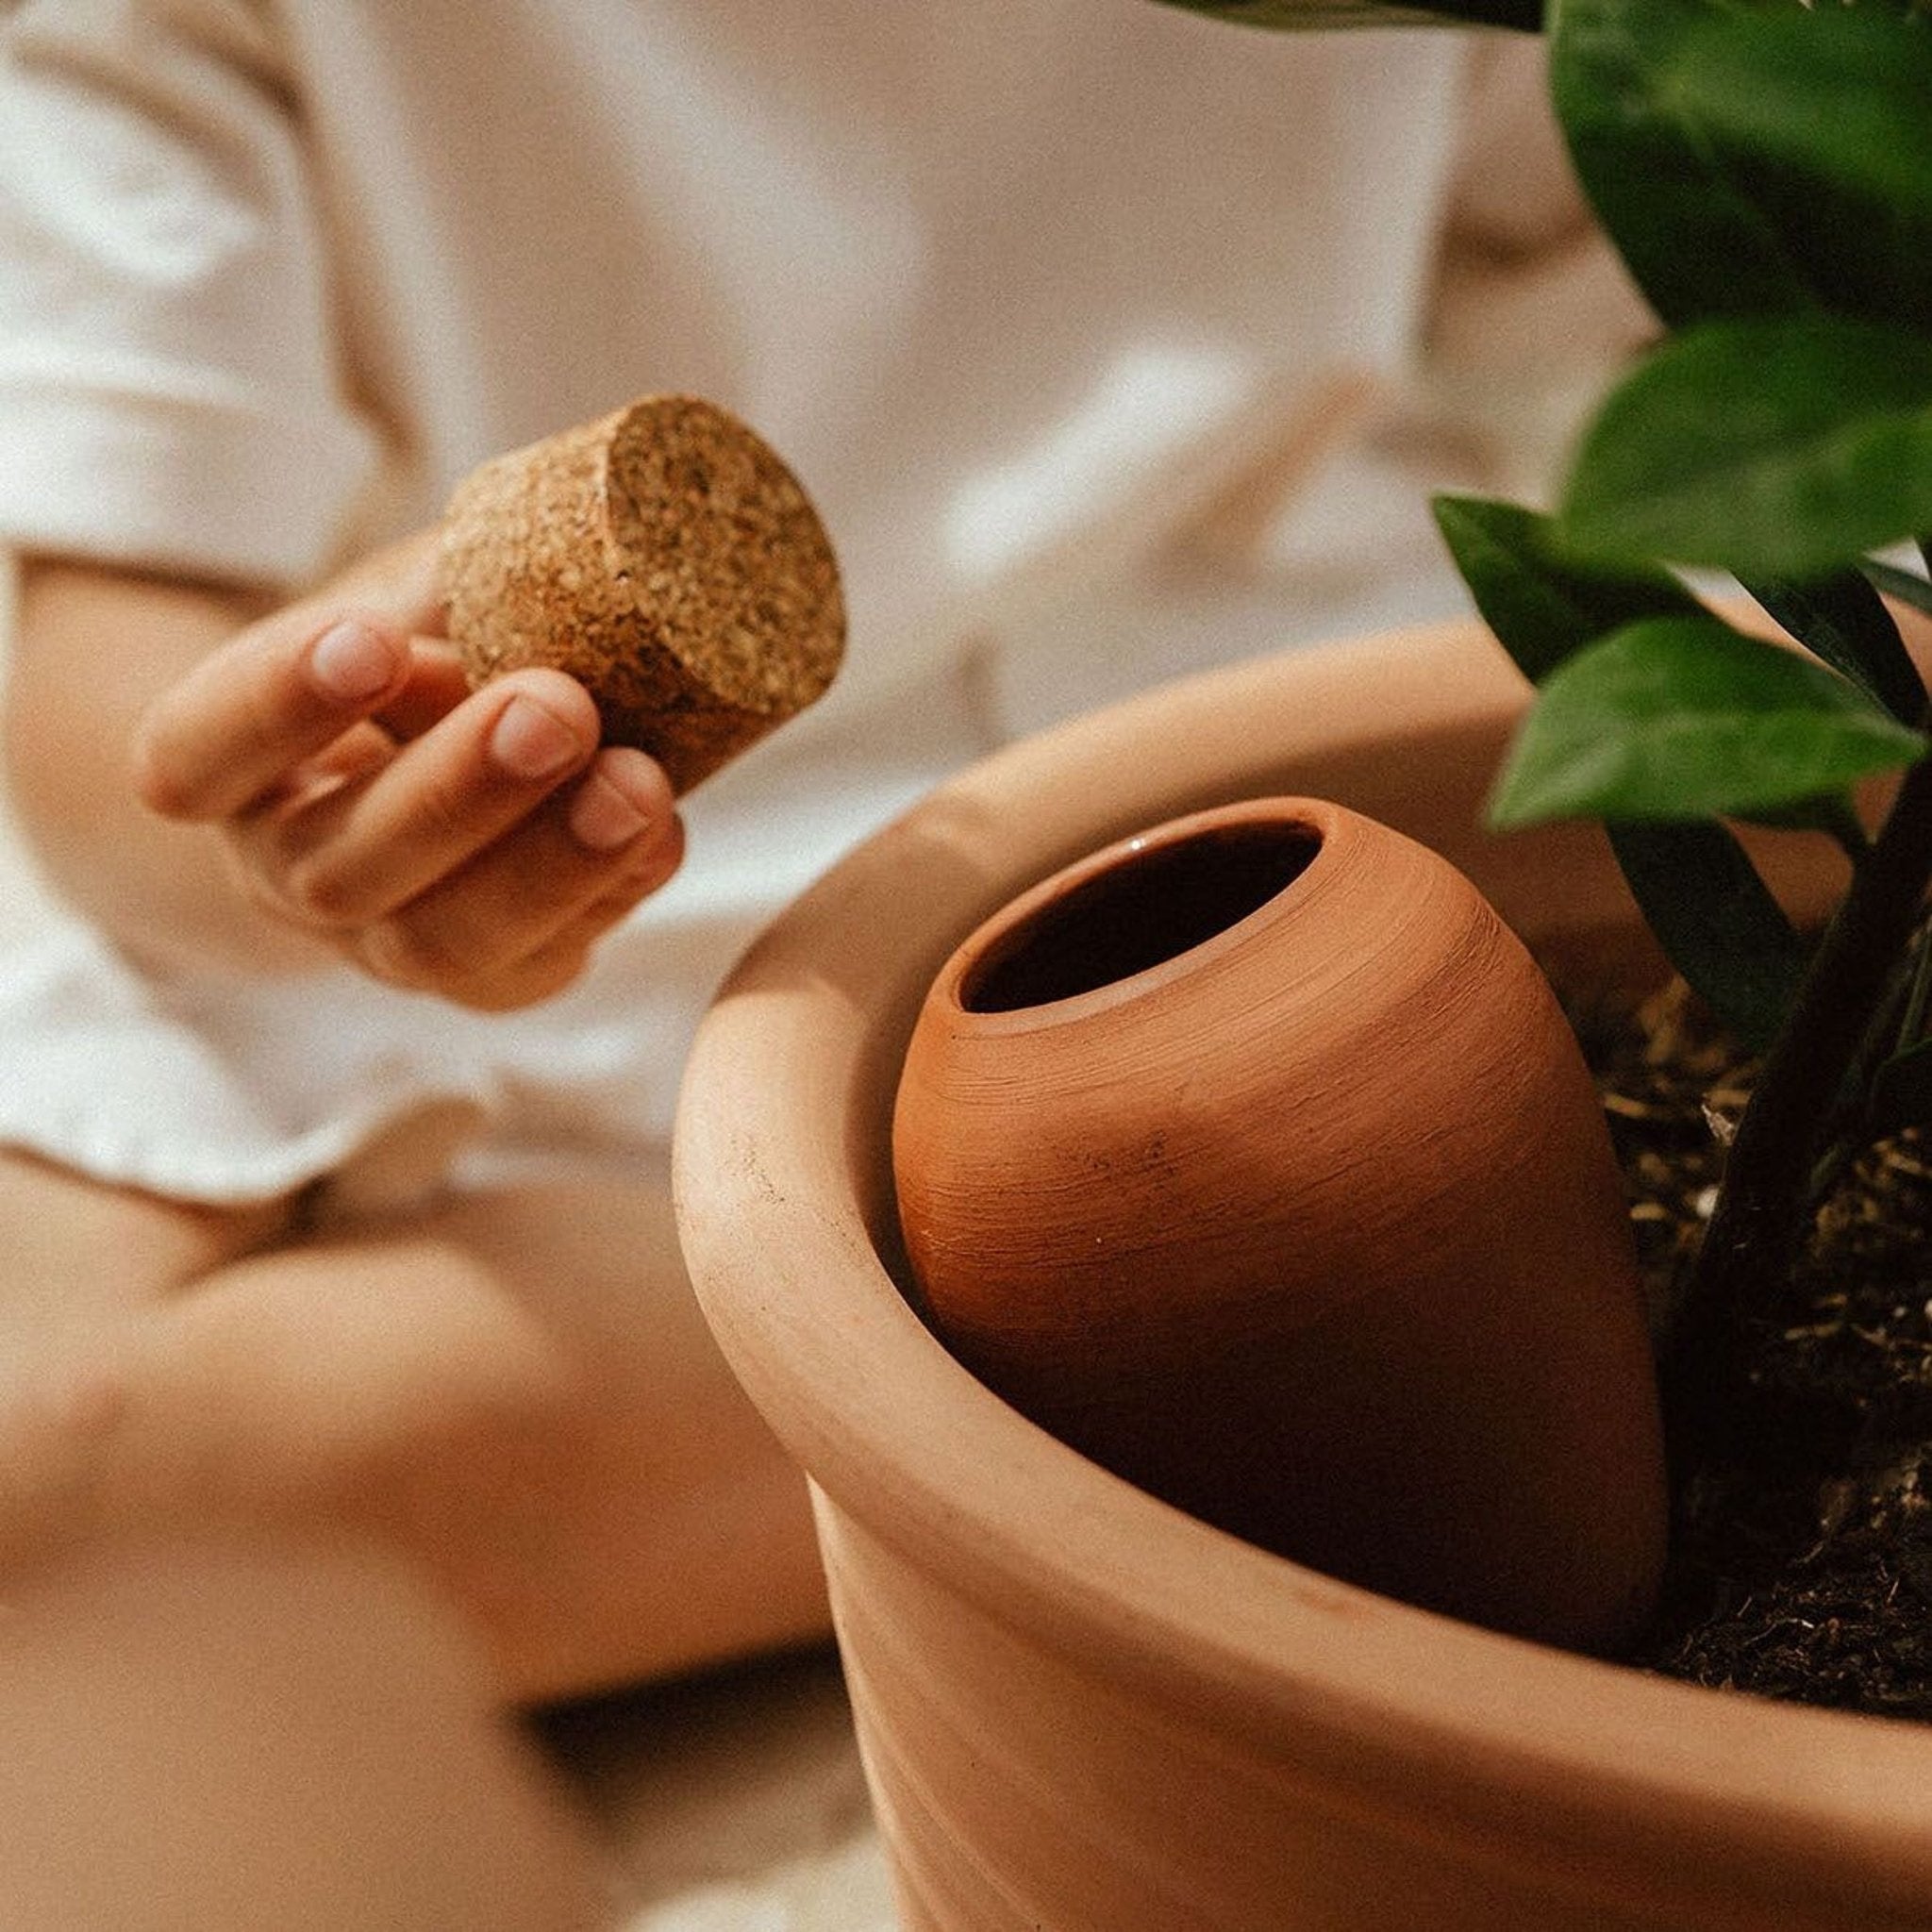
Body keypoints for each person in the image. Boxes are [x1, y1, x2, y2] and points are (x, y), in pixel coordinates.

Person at [0, 0, 1648, 1717]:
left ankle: (1212, 1356)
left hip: (1230, 811)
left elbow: (1666, 332)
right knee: (44, 1443)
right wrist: (300, 856)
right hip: (484, 878)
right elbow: (105, 683)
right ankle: (1244, 1397)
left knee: (109, 1529)